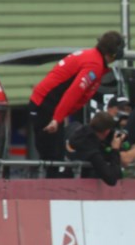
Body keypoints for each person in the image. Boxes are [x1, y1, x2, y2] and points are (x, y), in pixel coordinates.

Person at [28, 31, 124, 175]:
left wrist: (61, 116)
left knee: (55, 155)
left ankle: (49, 188)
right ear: (113, 53)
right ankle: (47, 192)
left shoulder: (92, 57)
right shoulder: (94, 64)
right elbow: (73, 93)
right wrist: (57, 119)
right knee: (52, 157)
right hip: (46, 105)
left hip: (48, 104)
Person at [65, 111, 135, 186]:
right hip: (78, 183)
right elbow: (112, 179)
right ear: (106, 132)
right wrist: (115, 149)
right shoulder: (90, 148)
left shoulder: (83, 131)